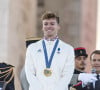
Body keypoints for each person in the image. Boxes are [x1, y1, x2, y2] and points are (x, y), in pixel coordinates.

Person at [25, 11, 75, 90]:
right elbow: (29, 72)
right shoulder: (32, 48)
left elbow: (67, 74)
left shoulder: (68, 49)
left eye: (52, 24)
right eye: (46, 24)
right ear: (42, 27)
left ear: (58, 26)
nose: (48, 26)